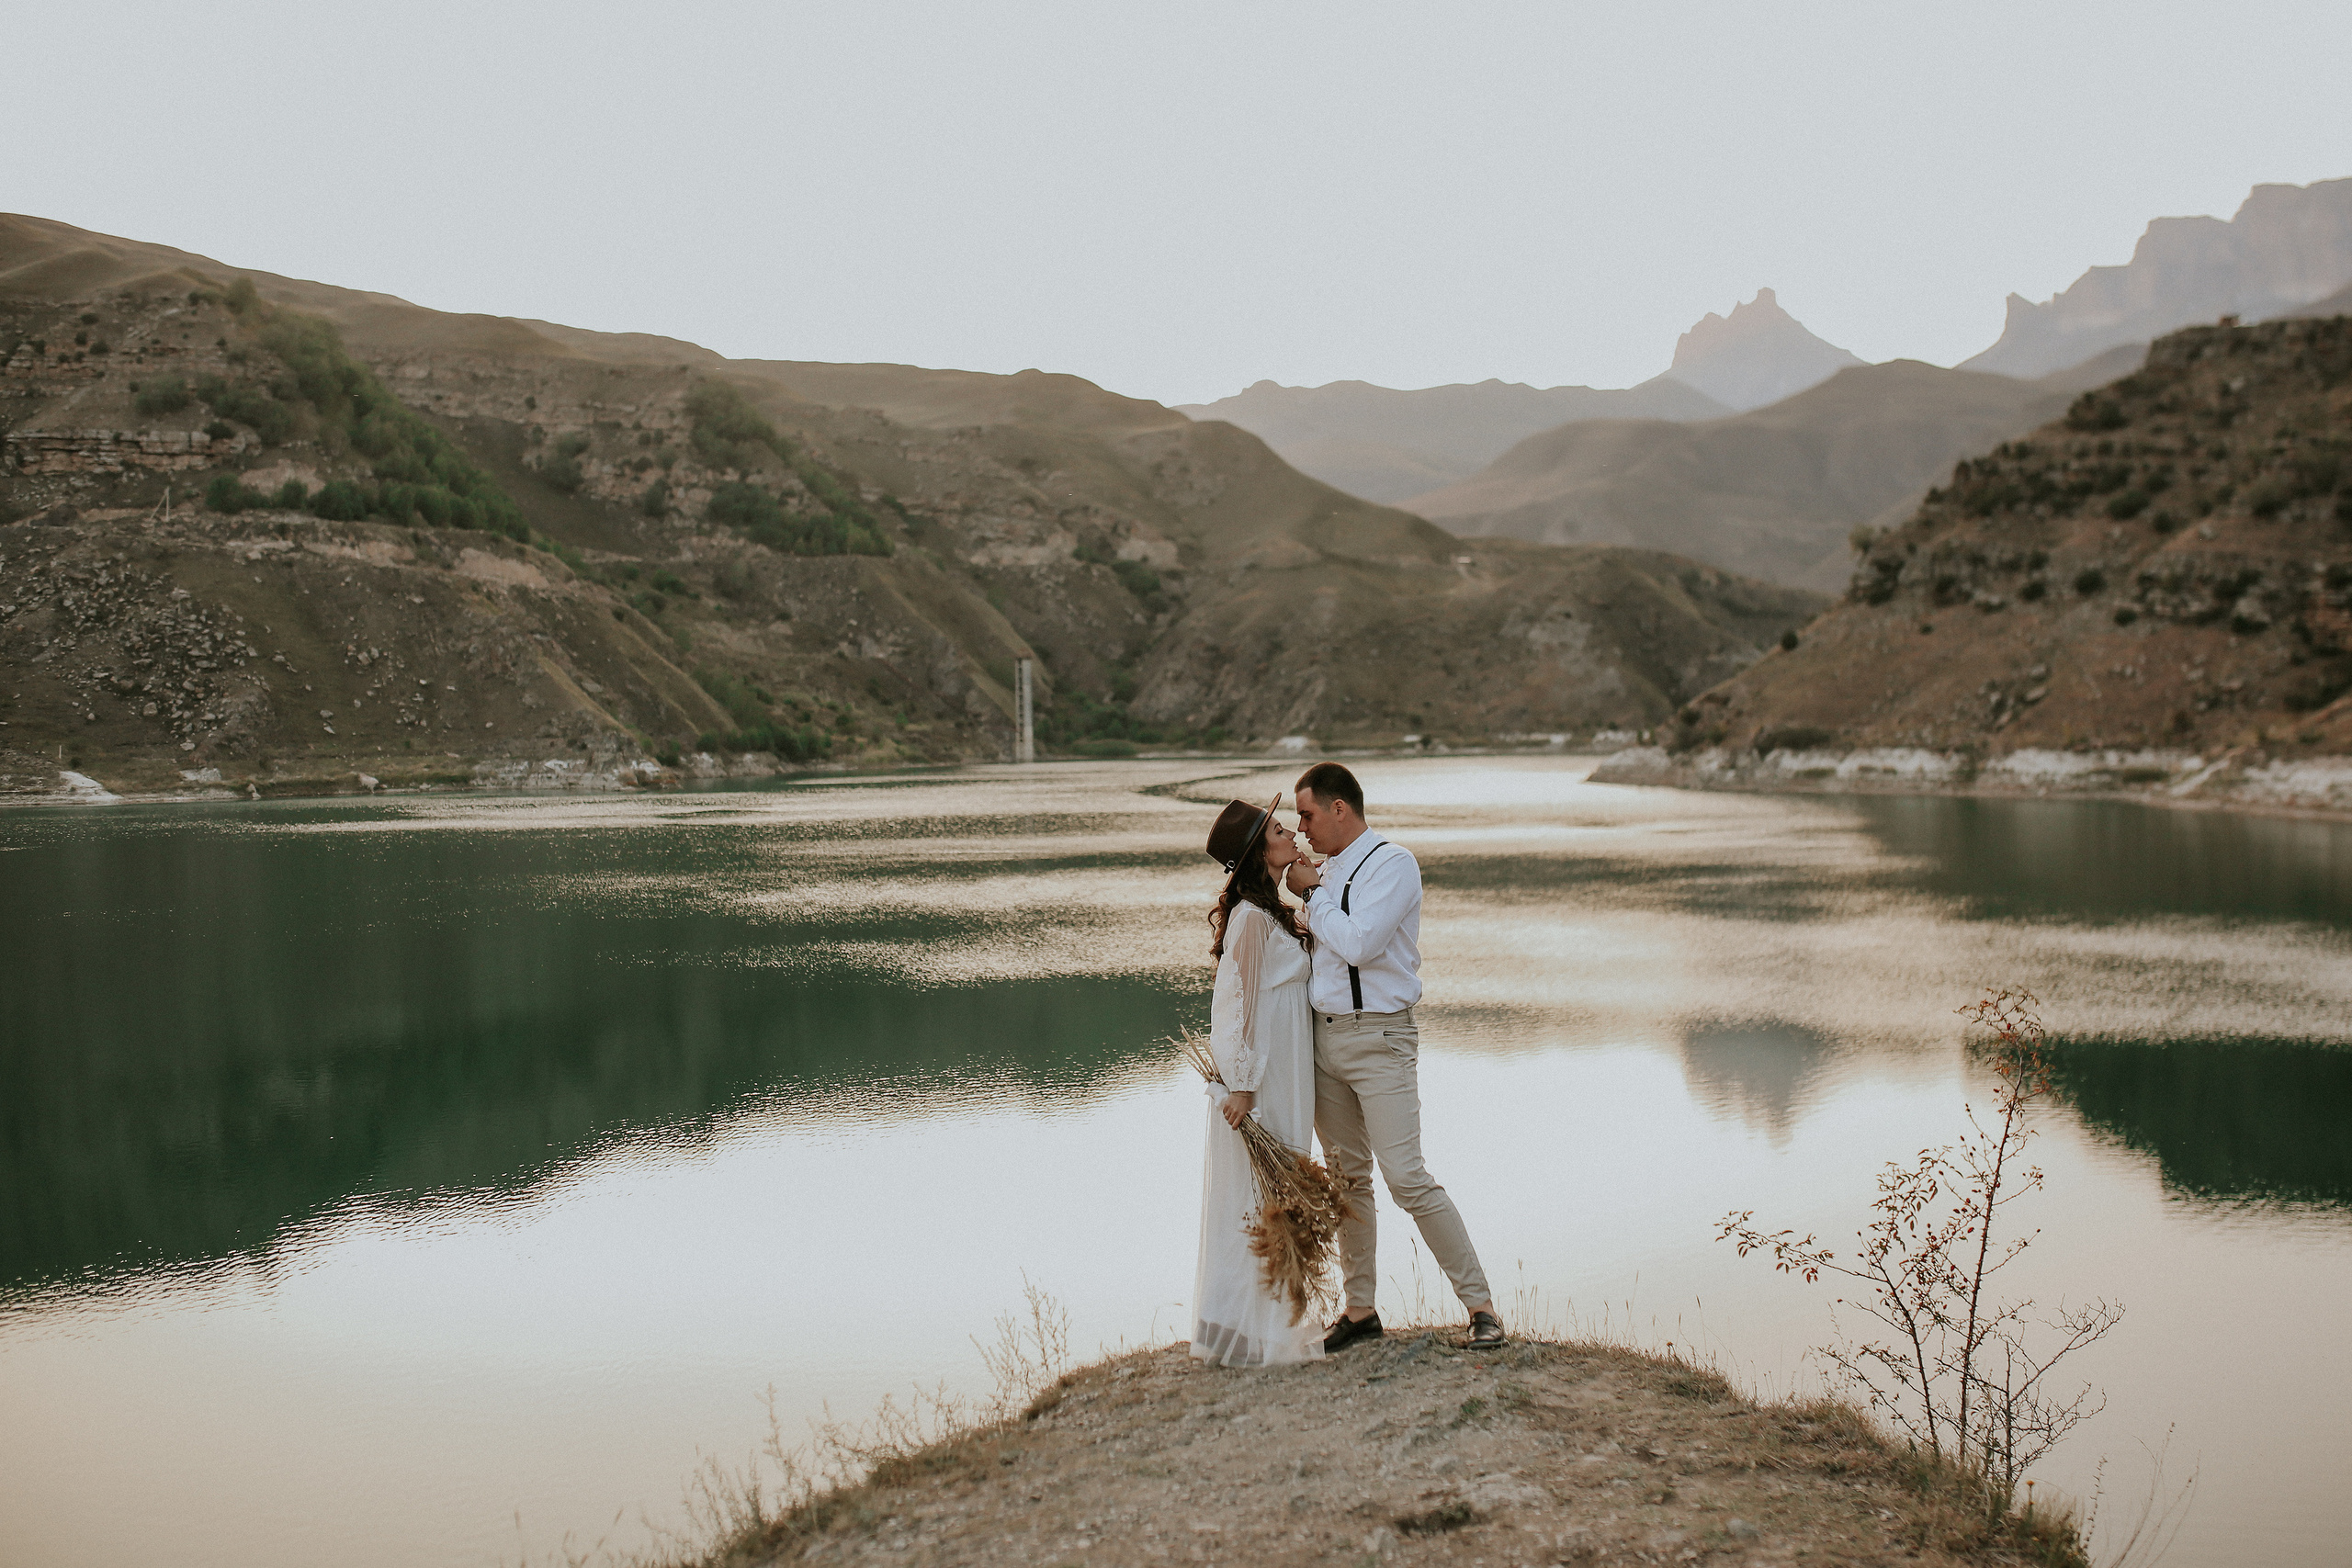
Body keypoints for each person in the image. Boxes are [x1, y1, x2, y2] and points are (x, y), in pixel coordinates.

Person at [1285, 761, 1503, 1350]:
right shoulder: (1325, 872)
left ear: (1339, 808)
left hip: (1381, 1039)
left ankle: (1481, 1307)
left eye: (1306, 815)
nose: (1300, 829)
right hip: (1323, 1039)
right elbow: (1319, 951)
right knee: (1347, 1178)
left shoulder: (1393, 864)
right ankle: (1361, 1312)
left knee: (1407, 1178)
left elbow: (1359, 944)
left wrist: (1310, 893)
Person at [1190, 795, 1325, 1368]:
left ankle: (1271, 1321)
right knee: (1257, 1197)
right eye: (1277, 830)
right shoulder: (1249, 918)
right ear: (1259, 852)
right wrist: (1241, 1085)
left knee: (1279, 1189)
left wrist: (1309, 890)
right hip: (1266, 1074)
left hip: (1288, 1064)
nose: (1292, 833)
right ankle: (1255, 1330)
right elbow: (1234, 1007)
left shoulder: (1273, 911)